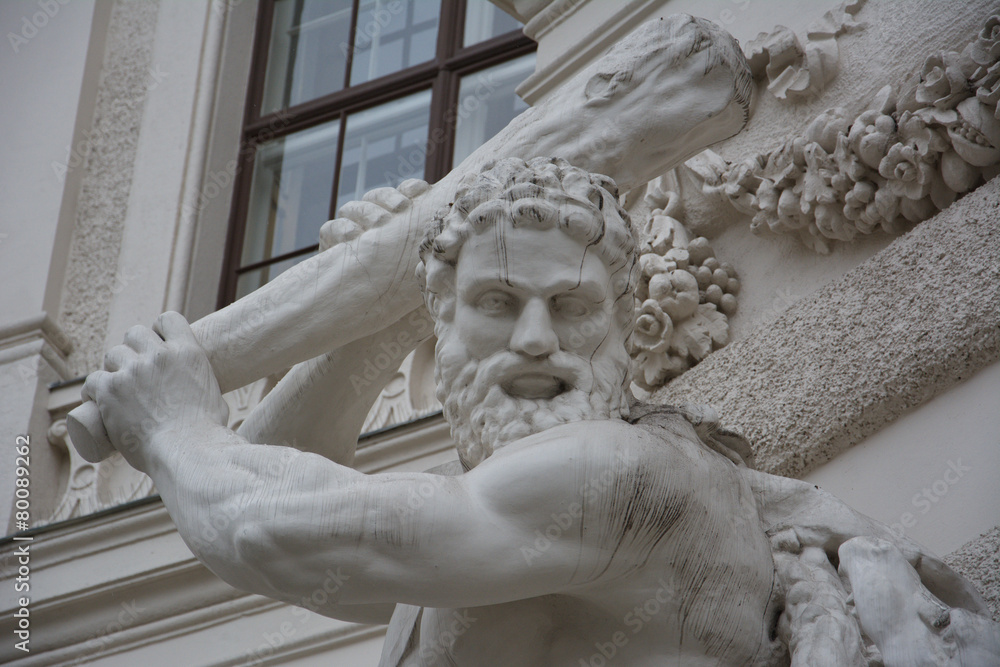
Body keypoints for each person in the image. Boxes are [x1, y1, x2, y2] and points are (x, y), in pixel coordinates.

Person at [85, 158, 996, 666]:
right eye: (493, 304)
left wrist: (169, 424)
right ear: (439, 337)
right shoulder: (482, 555)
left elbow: (271, 533)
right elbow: (285, 527)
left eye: (570, 307)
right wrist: (370, 319)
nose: (533, 338)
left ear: (626, 332)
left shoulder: (622, 479)